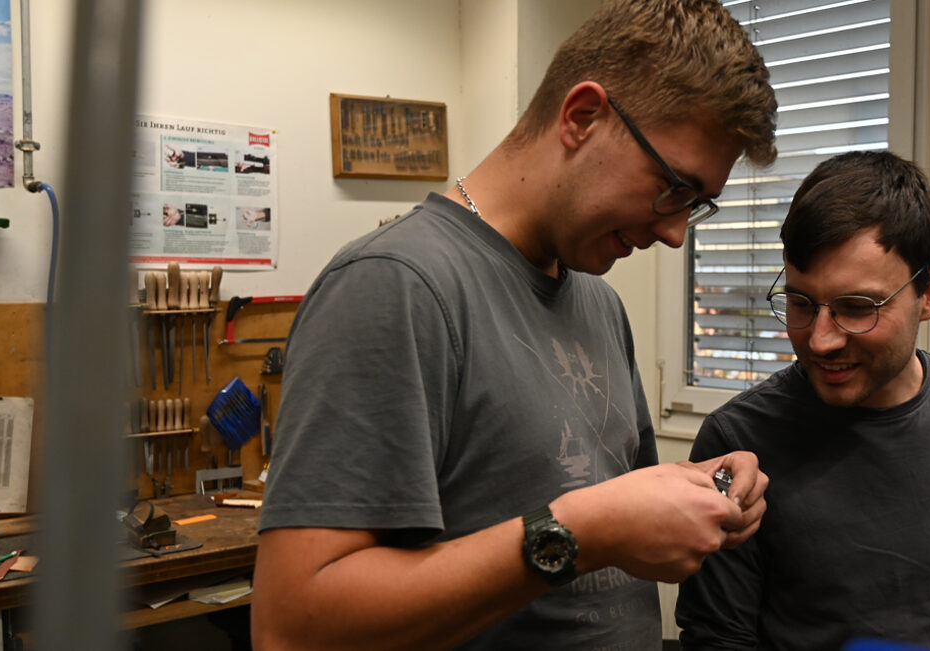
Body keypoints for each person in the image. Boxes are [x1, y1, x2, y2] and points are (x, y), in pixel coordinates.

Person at [252, 1, 778, 649]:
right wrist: (581, 531)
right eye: (673, 187)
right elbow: (291, 626)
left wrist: (700, 492)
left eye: (696, 206)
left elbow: (600, 509)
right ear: (583, 118)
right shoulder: (395, 285)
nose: (674, 233)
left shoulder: (597, 301)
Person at [675, 151, 930, 651]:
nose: (821, 339)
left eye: (857, 308)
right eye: (801, 303)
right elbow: (719, 638)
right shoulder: (737, 441)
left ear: (929, 293)